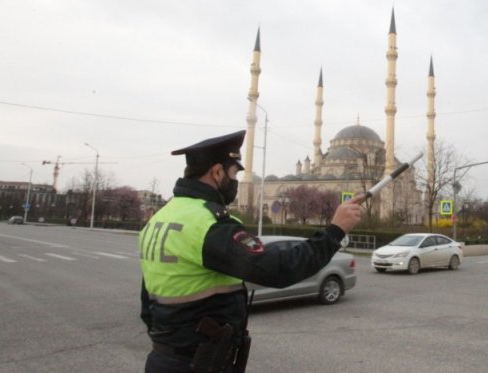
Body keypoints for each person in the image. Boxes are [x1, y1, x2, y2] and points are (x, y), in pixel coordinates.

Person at [139, 130, 362, 372]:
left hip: (163, 358)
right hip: (199, 362)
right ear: (216, 172)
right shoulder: (208, 224)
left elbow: (148, 302)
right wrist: (335, 230)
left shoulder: (161, 218)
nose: (236, 181)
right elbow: (279, 269)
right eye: (234, 173)